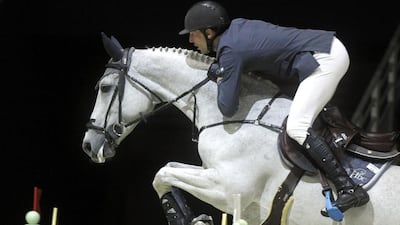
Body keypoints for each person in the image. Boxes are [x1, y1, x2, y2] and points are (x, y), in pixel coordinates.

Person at [169, 0, 369, 221]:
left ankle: (349, 189)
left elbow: (227, 107)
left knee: (297, 126)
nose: (189, 40)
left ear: (209, 32)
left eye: (193, 34)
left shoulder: (230, 49)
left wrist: (217, 75)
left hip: (326, 57)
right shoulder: (235, 31)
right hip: (326, 49)